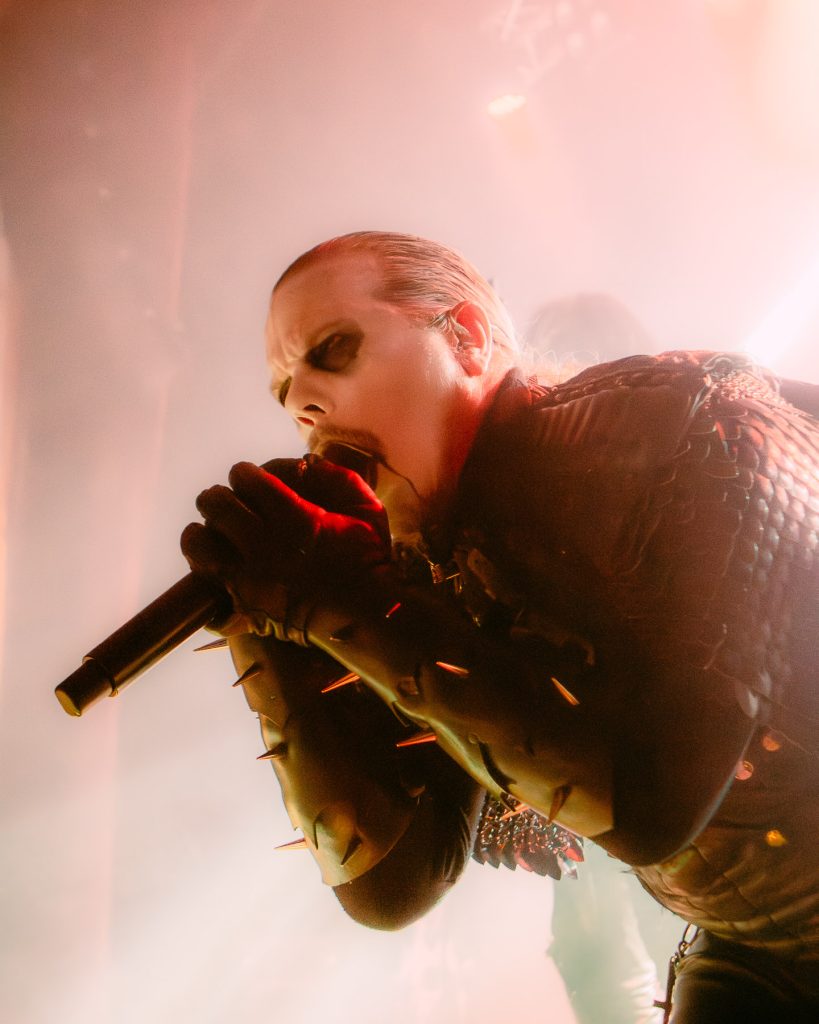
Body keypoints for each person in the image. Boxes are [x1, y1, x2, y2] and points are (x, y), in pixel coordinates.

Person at [181, 231, 819, 1022]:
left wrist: (339, 600)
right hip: (757, 950)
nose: (301, 403)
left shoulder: (694, 424)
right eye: (284, 391)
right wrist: (270, 626)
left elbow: (652, 798)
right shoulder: (425, 568)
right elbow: (391, 883)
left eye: (333, 350)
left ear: (467, 336)